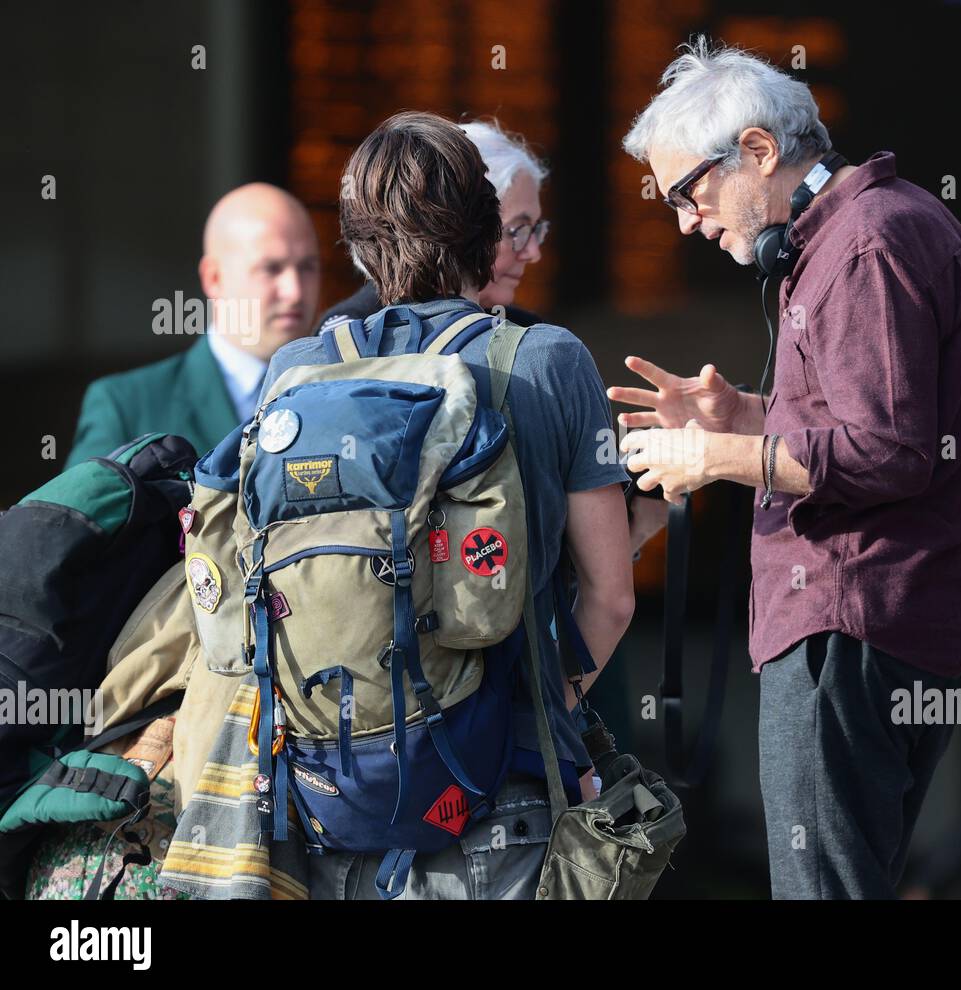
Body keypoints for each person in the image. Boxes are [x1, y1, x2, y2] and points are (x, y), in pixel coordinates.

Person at [614, 39, 961, 899]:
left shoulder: (864, 244)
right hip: (870, 622)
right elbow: (869, 427)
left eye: (689, 191)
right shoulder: (866, 231)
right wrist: (746, 419)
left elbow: (891, 453)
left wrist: (718, 457)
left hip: (850, 619)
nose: (685, 220)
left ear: (757, 151)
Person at [289, 110, 634, 898]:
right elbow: (611, 598)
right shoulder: (547, 360)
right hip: (500, 795)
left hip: (334, 799)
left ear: (356, 242)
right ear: (486, 232)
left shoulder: (300, 370)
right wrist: (537, 703)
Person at [64, 183, 320, 466]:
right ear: (214, 278)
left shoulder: (341, 389)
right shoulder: (126, 407)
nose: (295, 290)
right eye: (271, 268)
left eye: (307, 266)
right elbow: (74, 510)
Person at [318, 119, 548, 330]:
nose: (533, 253)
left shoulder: (526, 332)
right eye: (518, 230)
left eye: (536, 230)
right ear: (455, 222)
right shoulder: (352, 334)